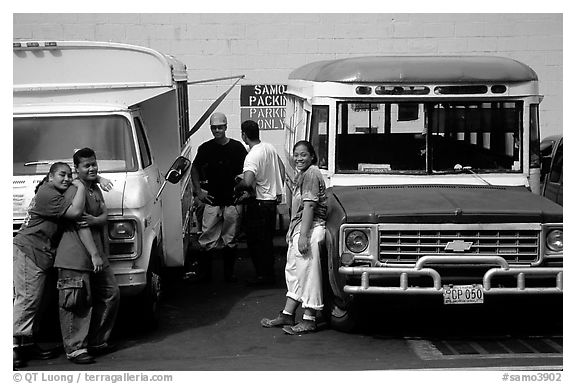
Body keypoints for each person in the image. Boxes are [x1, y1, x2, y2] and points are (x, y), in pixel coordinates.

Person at [13, 162, 105, 368]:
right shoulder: (48, 194)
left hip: (40, 253)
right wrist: (80, 186)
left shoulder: (52, 189)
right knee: (27, 299)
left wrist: (100, 178)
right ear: (50, 176)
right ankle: (11, 347)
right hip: (30, 249)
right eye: (61, 175)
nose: (66, 179)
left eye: (69, 175)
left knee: (37, 300)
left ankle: (26, 343)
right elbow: (75, 214)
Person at [55, 148, 120, 364]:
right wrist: (94, 254)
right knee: (76, 302)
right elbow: (81, 223)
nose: (92, 168)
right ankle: (75, 348)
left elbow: (103, 214)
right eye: (86, 165)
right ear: (77, 169)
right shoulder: (76, 189)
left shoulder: (93, 188)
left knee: (110, 293)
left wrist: (98, 220)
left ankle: (96, 341)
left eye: (94, 164)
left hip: (97, 256)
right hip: (76, 256)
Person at [260, 141, 327, 335]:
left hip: (311, 229)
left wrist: (303, 236)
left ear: (312, 156)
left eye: (303, 155)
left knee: (308, 274)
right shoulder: (303, 174)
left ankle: (309, 319)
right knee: (295, 272)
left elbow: (309, 207)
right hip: (301, 228)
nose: (299, 158)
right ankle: (288, 314)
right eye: (296, 155)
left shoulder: (312, 174)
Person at [189, 112, 248, 282]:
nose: (217, 131)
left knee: (230, 239)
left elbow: (248, 171)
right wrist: (199, 191)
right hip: (212, 200)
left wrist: (244, 192)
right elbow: (194, 168)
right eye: (214, 128)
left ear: (226, 127)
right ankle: (206, 276)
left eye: (220, 127)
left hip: (232, 200)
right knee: (207, 239)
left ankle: (228, 276)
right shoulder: (206, 148)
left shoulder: (237, 148)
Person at [236, 120, 285, 286]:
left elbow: (248, 182)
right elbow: (281, 167)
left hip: (259, 204)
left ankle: (262, 277)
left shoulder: (252, 156)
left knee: (256, 242)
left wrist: (238, 183)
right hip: (270, 202)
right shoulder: (269, 148)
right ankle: (269, 274)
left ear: (244, 135)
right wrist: (277, 185)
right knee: (267, 241)